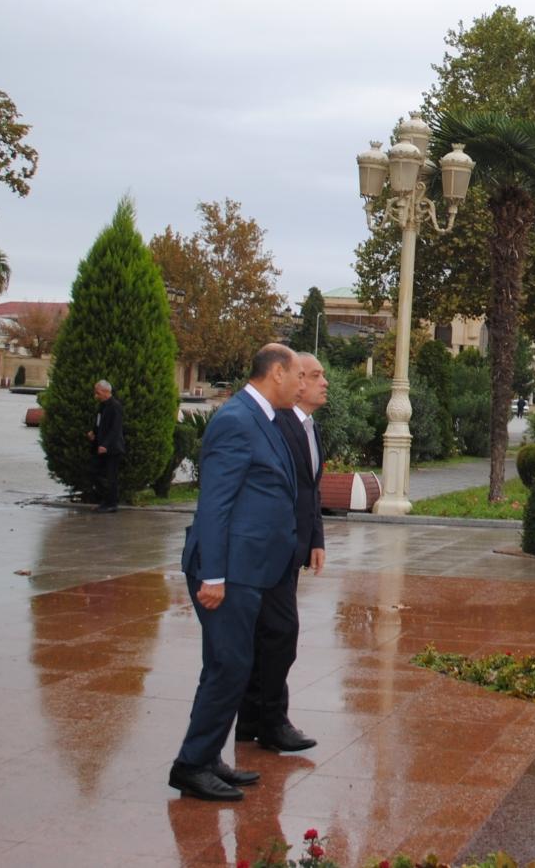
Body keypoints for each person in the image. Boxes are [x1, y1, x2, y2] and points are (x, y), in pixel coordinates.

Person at [169, 343, 302, 801]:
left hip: (254, 568)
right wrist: (213, 574)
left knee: (229, 665)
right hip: (230, 569)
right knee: (229, 665)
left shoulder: (261, 418)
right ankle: (191, 764)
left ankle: (206, 757)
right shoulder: (236, 421)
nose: (301, 385)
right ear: (277, 373)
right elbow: (215, 504)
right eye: (297, 376)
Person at [237, 351, 327, 753]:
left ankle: (252, 718)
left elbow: (309, 489)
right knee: (279, 635)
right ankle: (270, 720)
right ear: (297, 381)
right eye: (316, 375)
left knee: (271, 634)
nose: (325, 382)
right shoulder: (279, 424)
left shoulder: (309, 427)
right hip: (273, 545)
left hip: (294, 544)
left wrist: (316, 539)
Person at [88, 380, 125, 512]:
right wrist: (94, 432)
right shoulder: (102, 406)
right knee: (94, 472)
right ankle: (106, 500)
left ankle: (111, 504)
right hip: (100, 446)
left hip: (112, 448)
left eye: (97, 393)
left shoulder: (115, 406)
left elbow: (115, 429)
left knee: (111, 477)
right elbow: (99, 422)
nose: (95, 396)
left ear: (105, 392)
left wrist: (105, 445)